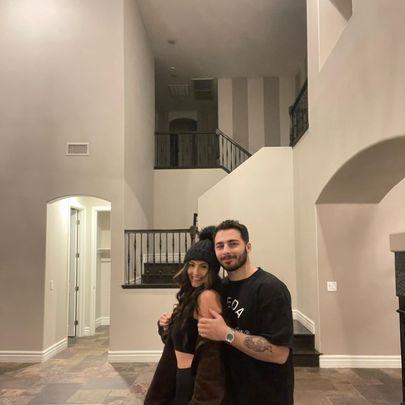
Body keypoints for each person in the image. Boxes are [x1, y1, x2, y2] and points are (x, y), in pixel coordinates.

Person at [198, 220, 294, 405]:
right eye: (220, 246)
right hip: (230, 394)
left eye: (233, 244)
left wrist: (226, 333)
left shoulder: (271, 289)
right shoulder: (220, 288)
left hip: (266, 395)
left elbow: (279, 353)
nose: (226, 251)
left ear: (248, 247)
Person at [144, 227, 228, 405]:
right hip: (177, 376)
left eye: (203, 266)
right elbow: (183, 341)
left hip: (193, 382)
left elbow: (212, 357)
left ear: (212, 270)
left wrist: (203, 399)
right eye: (191, 264)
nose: (195, 272)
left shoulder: (207, 297)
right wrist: (167, 326)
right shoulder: (192, 294)